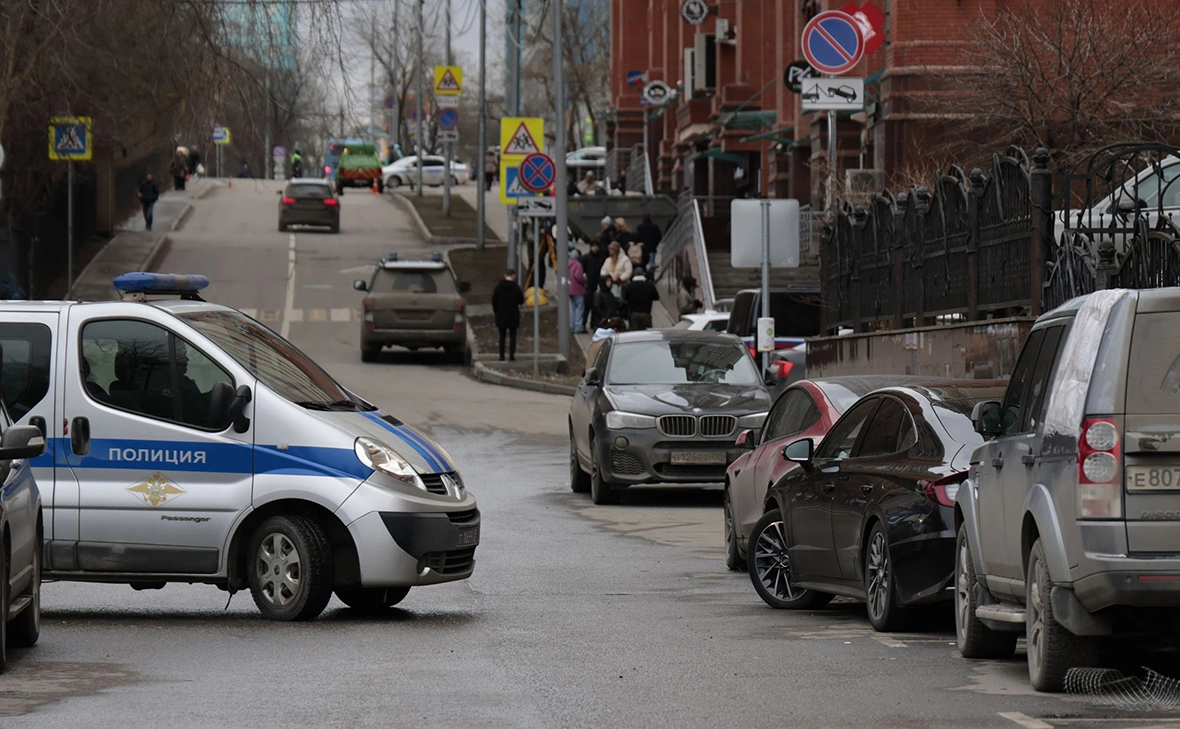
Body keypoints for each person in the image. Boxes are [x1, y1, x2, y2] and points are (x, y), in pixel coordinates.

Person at [492, 270, 525, 361]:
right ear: (513, 276)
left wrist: (496, 311)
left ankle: (501, 356)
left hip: (501, 315)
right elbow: (521, 301)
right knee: (513, 336)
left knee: (502, 337)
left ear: (505, 275)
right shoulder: (516, 288)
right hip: (513, 315)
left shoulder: (498, 288)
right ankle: (511, 355)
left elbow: (494, 301)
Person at [568, 250, 587, 334]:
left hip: (569, 289)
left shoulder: (567, 263)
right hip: (577, 289)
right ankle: (578, 327)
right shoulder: (578, 265)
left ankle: (571, 326)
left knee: (573, 308)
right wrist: (585, 278)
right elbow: (578, 277)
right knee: (579, 307)